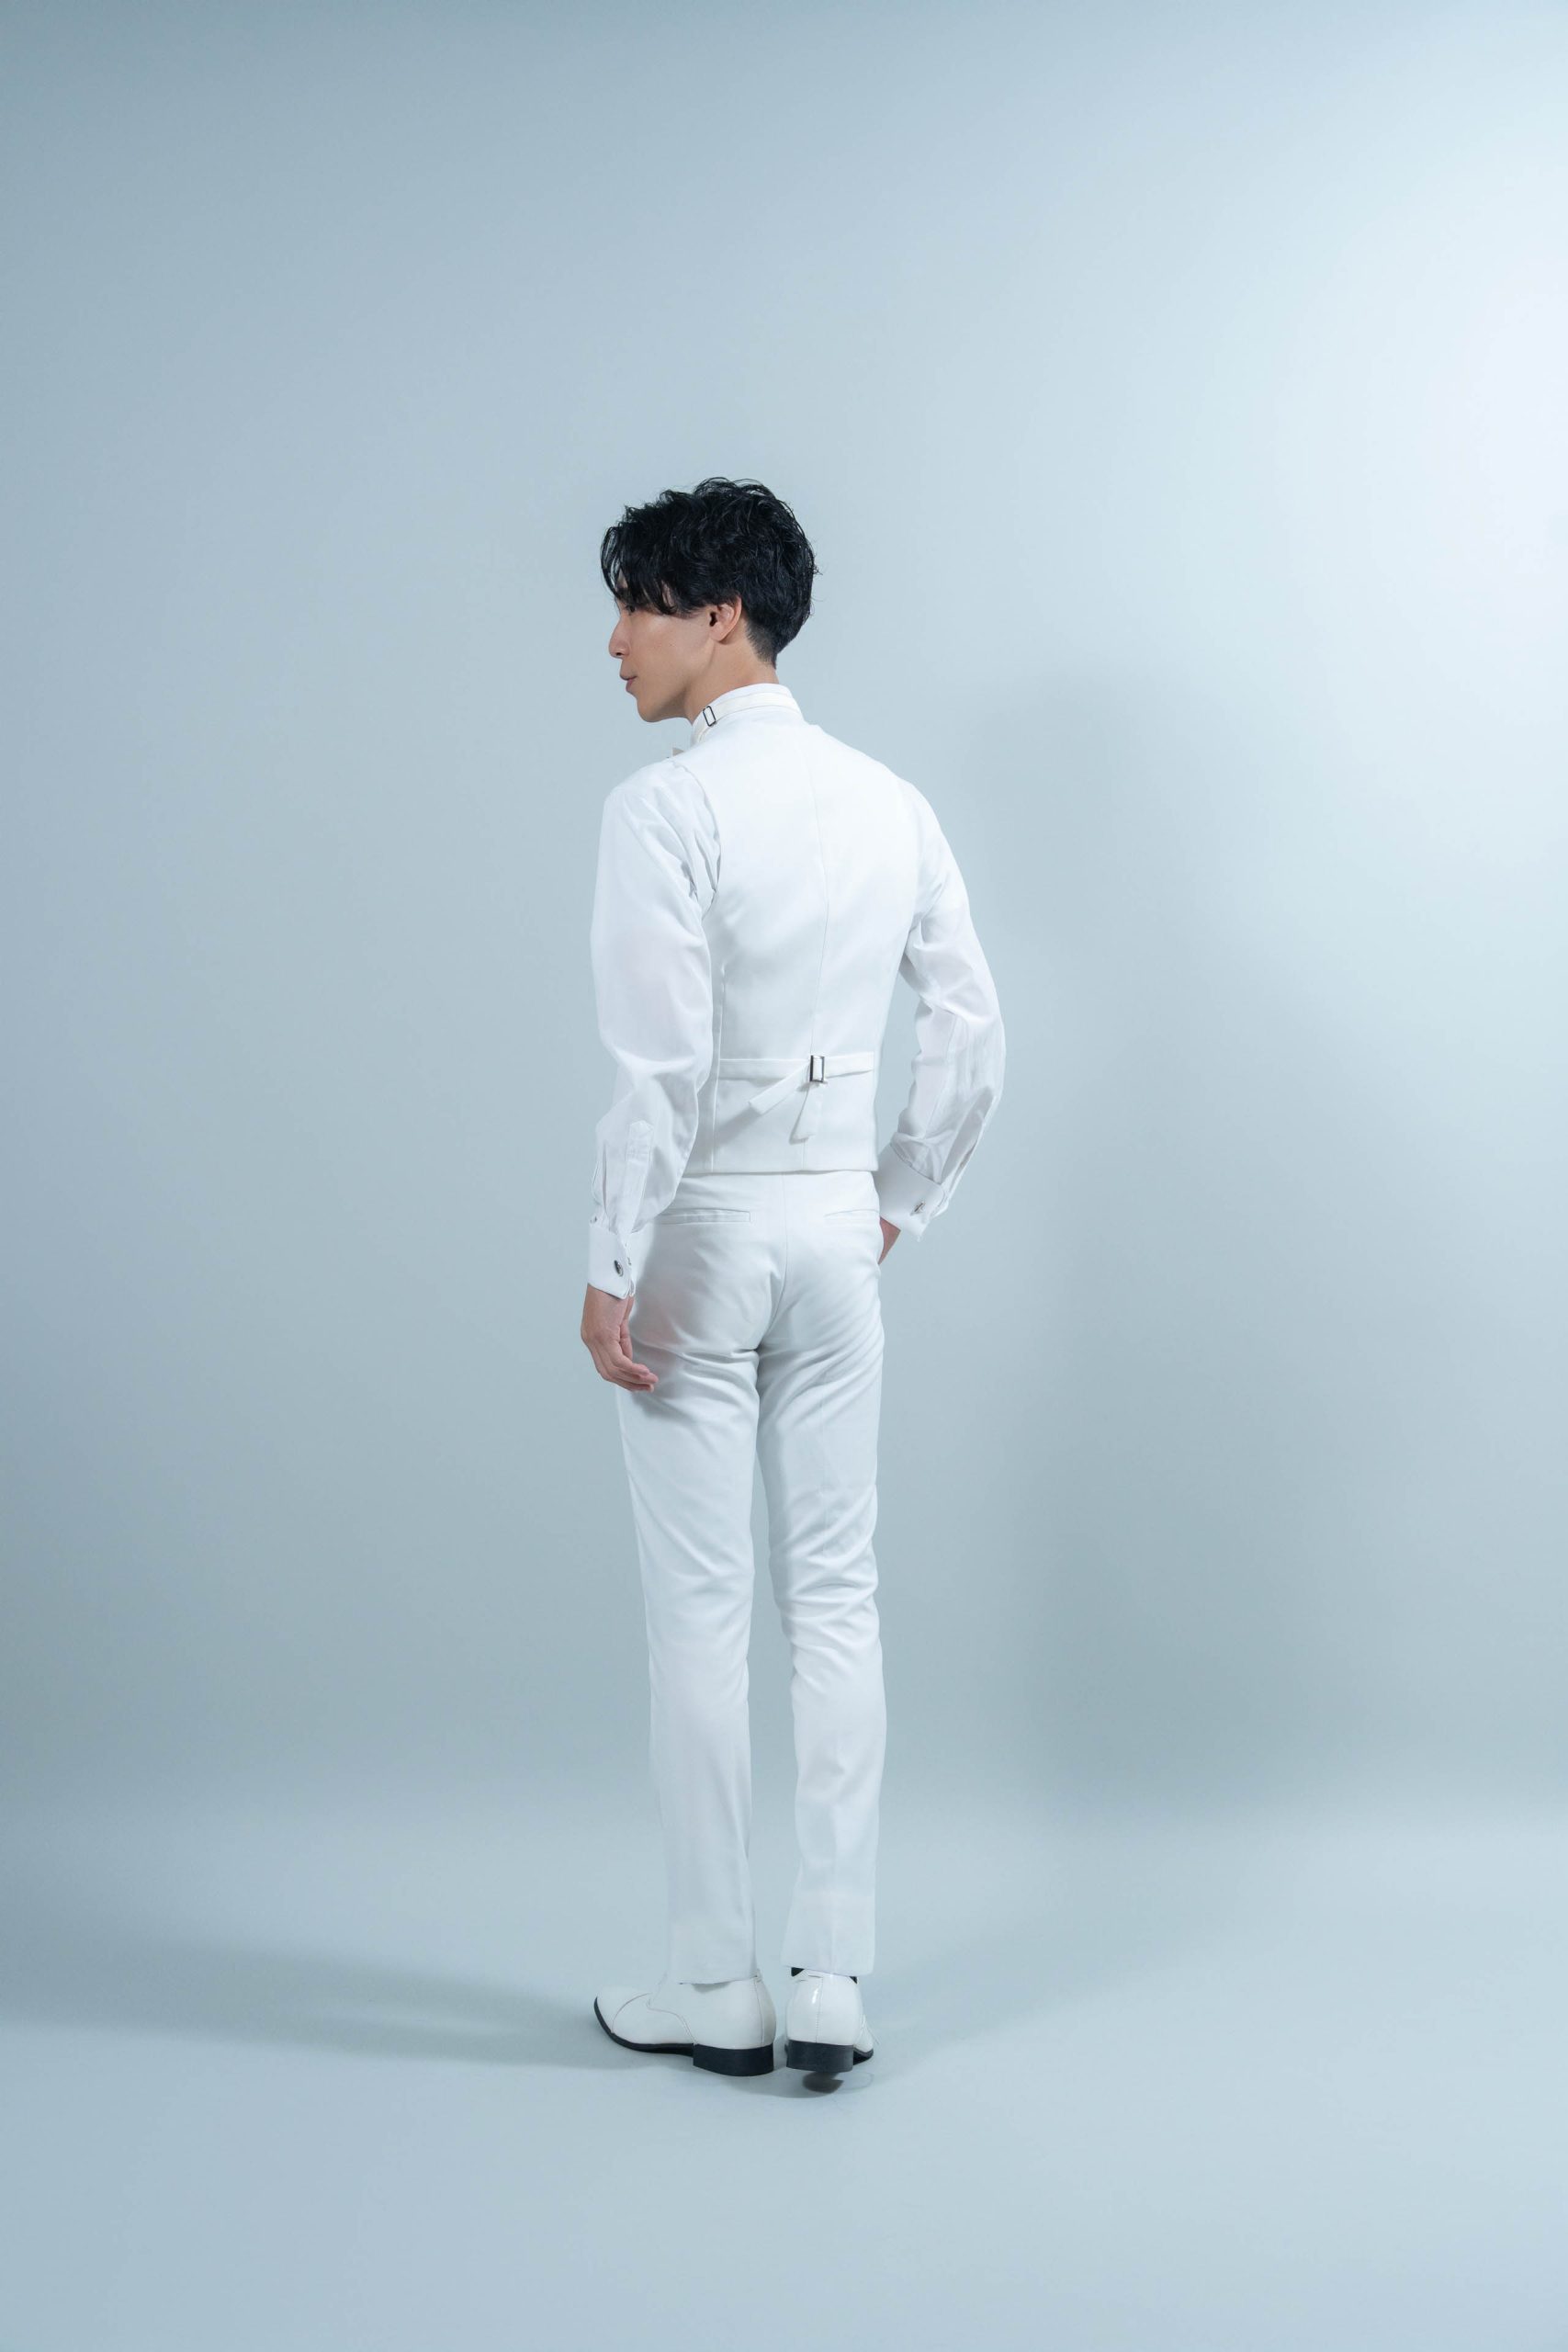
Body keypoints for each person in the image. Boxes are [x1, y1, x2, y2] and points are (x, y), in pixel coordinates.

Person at [581, 477, 1005, 2083]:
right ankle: (833, 1975)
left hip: (701, 1228)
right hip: (836, 1236)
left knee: (700, 1617)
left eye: (638, 606)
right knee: (838, 1597)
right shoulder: (892, 802)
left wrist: (610, 1259)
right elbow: (972, 1032)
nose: (615, 642)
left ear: (721, 617)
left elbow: (659, 1068)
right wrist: (895, 1200)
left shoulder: (662, 810)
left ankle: (718, 1984)